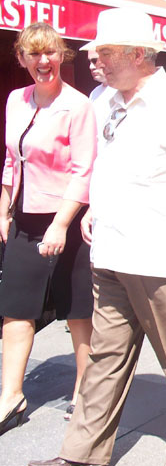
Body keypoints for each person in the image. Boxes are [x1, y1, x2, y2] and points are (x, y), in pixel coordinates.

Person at [27, 7, 166, 466]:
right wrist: (93, 208)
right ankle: (82, 451)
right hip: (111, 251)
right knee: (104, 356)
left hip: (163, 257)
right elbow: (102, 165)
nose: (96, 62)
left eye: (106, 53)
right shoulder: (102, 99)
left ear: (138, 55)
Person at [0, 23, 96, 434]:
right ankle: (11, 396)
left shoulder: (78, 105)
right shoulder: (15, 100)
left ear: (61, 56)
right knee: (15, 308)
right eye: (34, 54)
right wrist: (3, 210)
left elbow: (83, 170)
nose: (44, 61)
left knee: (77, 311)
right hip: (24, 218)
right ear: (22, 59)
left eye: (50, 52)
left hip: (68, 219)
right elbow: (11, 160)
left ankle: (84, 390)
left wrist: (60, 224)